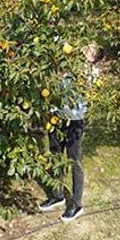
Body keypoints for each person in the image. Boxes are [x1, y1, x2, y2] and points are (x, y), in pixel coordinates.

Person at [38, 44, 101, 223]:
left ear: (93, 58)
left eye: (90, 50)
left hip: (74, 121)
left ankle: (77, 204)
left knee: (74, 160)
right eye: (86, 47)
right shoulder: (66, 65)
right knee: (56, 156)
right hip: (56, 118)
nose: (85, 49)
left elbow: (84, 89)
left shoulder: (90, 73)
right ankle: (57, 195)